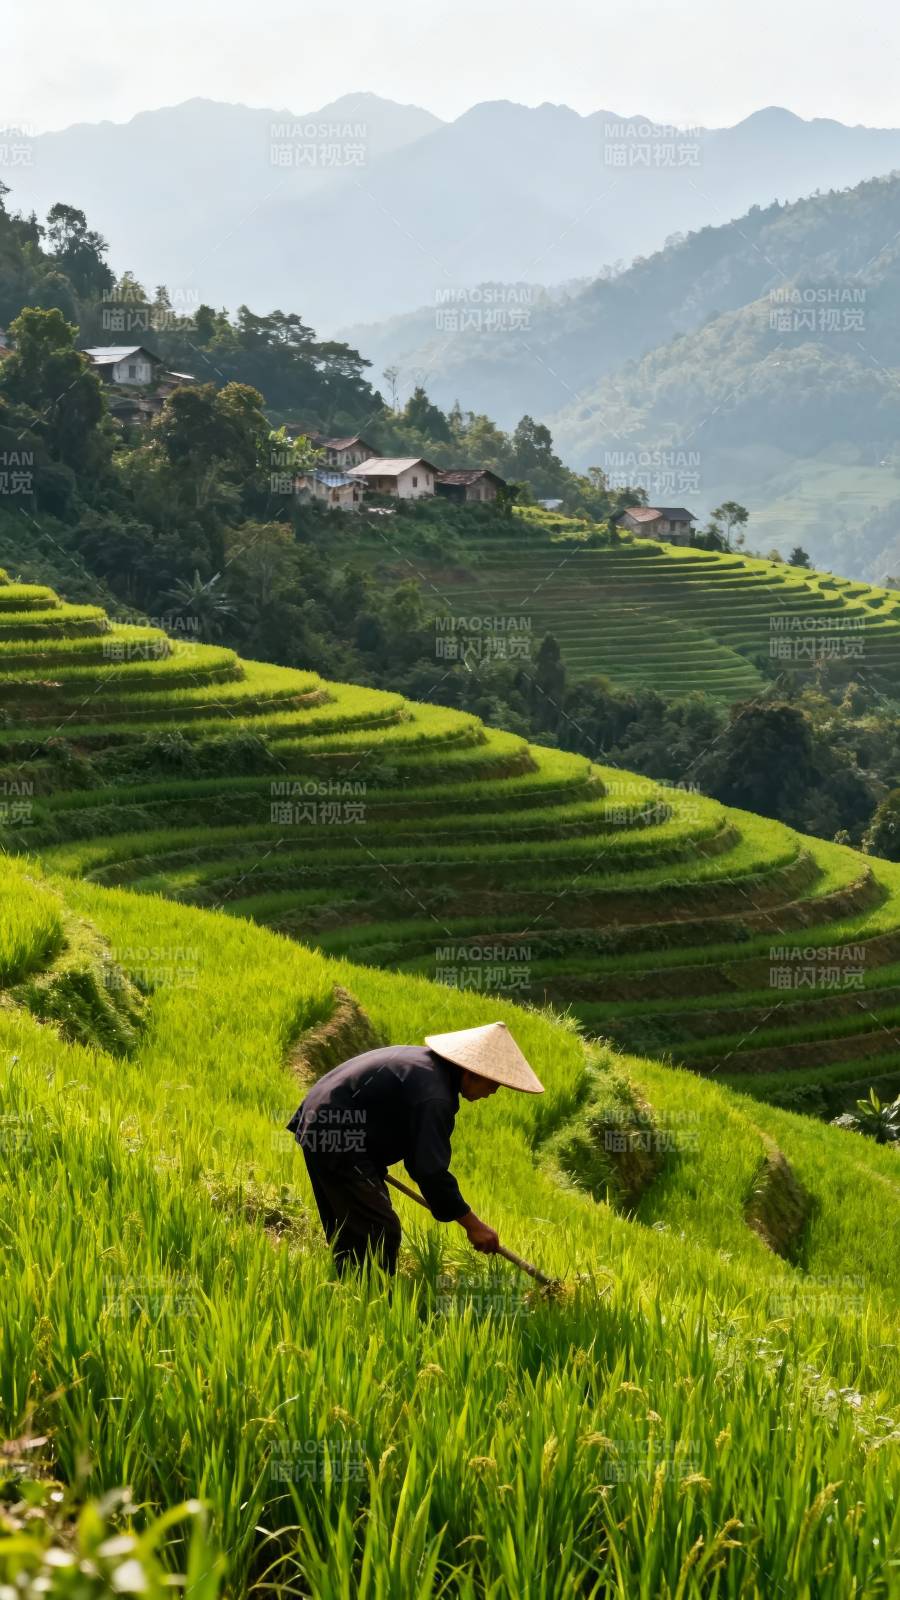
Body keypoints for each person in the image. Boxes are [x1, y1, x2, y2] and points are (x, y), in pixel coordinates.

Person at [287, 1020, 544, 1276]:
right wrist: (473, 1225)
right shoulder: (435, 1096)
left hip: (324, 1122)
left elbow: (413, 1150)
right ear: (471, 1073)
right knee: (379, 1229)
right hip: (336, 1134)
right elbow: (429, 1170)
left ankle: (348, 1294)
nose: (493, 1092)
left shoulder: (423, 1067)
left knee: (353, 1226)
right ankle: (373, 1303)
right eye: (492, 1084)